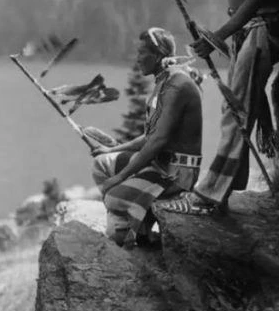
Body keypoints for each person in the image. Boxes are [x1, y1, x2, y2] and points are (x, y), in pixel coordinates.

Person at [157, 0, 279, 216]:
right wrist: (221, 35)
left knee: (236, 113)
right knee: (238, 110)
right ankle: (230, 185)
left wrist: (217, 37)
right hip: (249, 33)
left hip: (260, 33)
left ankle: (210, 195)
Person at [84, 27, 202, 246]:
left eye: (141, 53)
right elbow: (150, 136)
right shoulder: (165, 81)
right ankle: (136, 229)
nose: (137, 58)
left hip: (176, 174)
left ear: (157, 56)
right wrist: (111, 150)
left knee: (112, 197)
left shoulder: (176, 85)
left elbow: (158, 140)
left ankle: (125, 234)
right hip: (161, 165)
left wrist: (120, 178)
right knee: (102, 164)